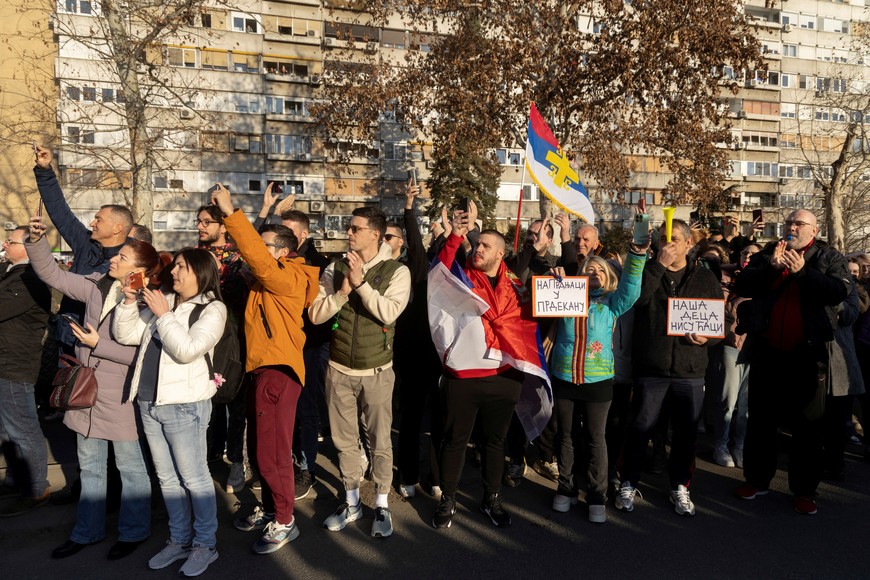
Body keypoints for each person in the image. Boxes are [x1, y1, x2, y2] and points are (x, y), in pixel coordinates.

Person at [25, 216, 152, 561]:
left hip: (121, 397)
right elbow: (53, 275)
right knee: (91, 466)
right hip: (85, 392)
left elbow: (143, 357)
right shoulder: (96, 285)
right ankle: (87, 531)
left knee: (130, 468)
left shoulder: (150, 302)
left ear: (139, 269)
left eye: (122, 258)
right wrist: (37, 241)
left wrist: (99, 344)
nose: (112, 259)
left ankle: (134, 531)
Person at [211, 184, 319, 554]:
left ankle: (286, 521)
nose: (257, 251)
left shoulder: (290, 277)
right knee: (261, 451)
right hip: (261, 370)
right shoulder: (266, 281)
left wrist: (230, 212)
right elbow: (256, 259)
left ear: (285, 253)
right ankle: (273, 507)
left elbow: (257, 257)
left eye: (268, 245)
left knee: (273, 454)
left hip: (278, 371)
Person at [428, 210, 551, 529]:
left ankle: (491, 498)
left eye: (485, 245)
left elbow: (544, 301)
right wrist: (455, 234)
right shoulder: (461, 278)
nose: (478, 248)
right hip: (463, 377)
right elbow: (438, 269)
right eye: (476, 243)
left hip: (504, 377)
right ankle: (448, 499)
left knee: (495, 443)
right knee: (455, 440)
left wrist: (560, 283)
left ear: (500, 253)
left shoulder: (515, 286)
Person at [113, 248, 226, 576]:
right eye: (174, 266)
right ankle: (179, 540)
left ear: (200, 272)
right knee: (167, 478)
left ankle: (206, 545)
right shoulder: (165, 301)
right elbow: (127, 335)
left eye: (181, 267)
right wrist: (129, 302)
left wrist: (164, 315)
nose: (173, 272)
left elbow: (188, 350)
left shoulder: (212, 309)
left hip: (184, 405)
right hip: (149, 401)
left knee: (194, 477)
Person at [734, 210, 851, 515]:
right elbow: (743, 284)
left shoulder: (829, 257)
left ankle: (805, 490)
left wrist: (803, 273)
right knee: (761, 423)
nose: (792, 227)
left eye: (799, 224)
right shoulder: (770, 253)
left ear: (814, 230)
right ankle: (757, 480)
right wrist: (771, 270)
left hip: (808, 356)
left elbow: (840, 291)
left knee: (807, 429)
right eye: (789, 223)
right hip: (767, 352)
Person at [309, 206, 411, 538]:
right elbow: (316, 316)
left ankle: (381, 503)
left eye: (355, 229)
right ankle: (352, 500)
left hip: (377, 372)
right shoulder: (334, 267)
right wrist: (341, 292)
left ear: (375, 235)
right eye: (349, 228)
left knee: (380, 440)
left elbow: (389, 313)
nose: (349, 233)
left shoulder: (397, 271)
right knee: (343, 441)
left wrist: (361, 285)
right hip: (338, 369)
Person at [615, 219, 724, 517]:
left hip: (690, 369)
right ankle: (627, 482)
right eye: (663, 238)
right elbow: (636, 302)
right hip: (652, 367)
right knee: (639, 428)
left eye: (674, 238)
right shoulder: (650, 270)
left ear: (689, 243)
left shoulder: (705, 278)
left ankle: (680, 486)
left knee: (686, 433)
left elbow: (719, 324)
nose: (668, 244)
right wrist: (657, 266)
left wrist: (708, 338)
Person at [549, 235, 648, 523]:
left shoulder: (611, 304)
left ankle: (596, 495)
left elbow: (631, 288)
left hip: (599, 380)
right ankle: (566, 488)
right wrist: (552, 277)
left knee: (596, 439)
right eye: (588, 270)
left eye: (600, 270)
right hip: (564, 376)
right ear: (579, 276)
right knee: (565, 437)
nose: (594, 273)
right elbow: (539, 299)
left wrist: (637, 255)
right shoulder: (564, 296)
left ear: (608, 279)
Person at [33, 146, 133, 356]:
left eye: (99, 219)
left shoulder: (134, 257)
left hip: (99, 347)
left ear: (117, 228)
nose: (92, 223)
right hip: (66, 338)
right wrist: (44, 171)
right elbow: (60, 212)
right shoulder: (85, 242)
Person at [195, 204, 252, 494]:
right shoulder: (196, 255)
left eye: (207, 221)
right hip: (203, 339)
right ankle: (208, 455)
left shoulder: (240, 257)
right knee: (206, 400)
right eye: (199, 221)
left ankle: (237, 462)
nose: (201, 226)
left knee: (236, 403)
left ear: (223, 226)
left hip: (235, 339)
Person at [394, 182, 445, 498]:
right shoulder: (417, 272)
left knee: (439, 423)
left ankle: (435, 478)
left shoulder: (454, 276)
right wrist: (409, 209)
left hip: (441, 358)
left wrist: (450, 232)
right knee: (411, 420)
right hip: (412, 357)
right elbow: (414, 244)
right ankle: (409, 476)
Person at [0, 226, 52, 517]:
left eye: (11, 241)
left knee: (23, 429)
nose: (5, 244)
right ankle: (15, 480)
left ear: (28, 248)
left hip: (15, 364)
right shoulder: (9, 270)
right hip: (4, 361)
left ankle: (36, 488)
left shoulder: (31, 277)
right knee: (6, 430)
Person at [712, 243, 760, 468]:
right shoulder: (725, 278)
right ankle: (720, 444)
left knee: (747, 402)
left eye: (753, 254)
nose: (748, 256)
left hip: (756, 347)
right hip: (731, 345)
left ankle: (740, 444)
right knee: (727, 399)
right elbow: (716, 309)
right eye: (745, 253)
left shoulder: (767, 279)